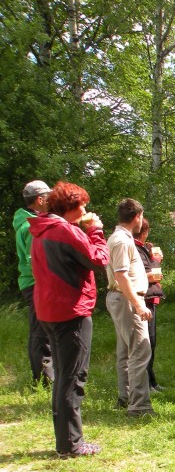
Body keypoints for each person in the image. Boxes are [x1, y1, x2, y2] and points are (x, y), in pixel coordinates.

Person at [28, 181, 109, 457]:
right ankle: (71, 445)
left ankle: (66, 442)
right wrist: (95, 231)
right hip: (70, 310)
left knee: (63, 376)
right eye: (82, 205)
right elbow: (98, 260)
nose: (86, 209)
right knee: (73, 378)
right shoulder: (64, 230)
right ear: (71, 207)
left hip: (49, 309)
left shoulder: (42, 228)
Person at [105, 198, 155, 418]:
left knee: (125, 352)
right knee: (140, 350)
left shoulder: (118, 238)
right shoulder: (123, 241)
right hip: (127, 299)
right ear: (137, 217)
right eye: (141, 216)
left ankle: (126, 397)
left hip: (121, 298)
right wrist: (138, 305)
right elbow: (121, 275)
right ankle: (139, 406)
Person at [13, 179, 54, 385]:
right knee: (41, 332)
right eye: (49, 197)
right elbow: (35, 262)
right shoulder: (31, 226)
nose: (52, 201)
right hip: (36, 283)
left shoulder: (30, 222)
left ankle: (43, 377)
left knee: (41, 329)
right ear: (39, 200)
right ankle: (44, 379)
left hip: (34, 283)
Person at [133, 216, 165, 392]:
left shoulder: (142, 249)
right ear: (144, 232)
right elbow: (148, 275)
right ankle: (146, 382)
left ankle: (150, 380)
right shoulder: (137, 250)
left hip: (149, 299)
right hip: (143, 300)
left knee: (150, 342)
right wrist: (156, 261)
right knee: (146, 342)